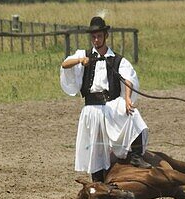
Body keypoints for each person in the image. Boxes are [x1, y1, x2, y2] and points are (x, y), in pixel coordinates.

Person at [59, 16, 150, 182]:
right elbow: (65, 65)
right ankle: (97, 179)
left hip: (111, 105)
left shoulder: (116, 59)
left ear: (105, 36)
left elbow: (128, 78)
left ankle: (136, 156)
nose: (96, 40)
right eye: (93, 36)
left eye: (99, 36)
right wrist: (80, 61)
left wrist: (128, 98)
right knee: (95, 147)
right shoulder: (84, 55)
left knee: (133, 115)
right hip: (92, 108)